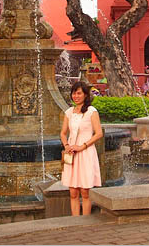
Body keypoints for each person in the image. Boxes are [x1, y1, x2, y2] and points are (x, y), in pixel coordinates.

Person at [60, 81, 103, 216]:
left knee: (85, 191)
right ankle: (75, 221)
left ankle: (85, 222)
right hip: (71, 154)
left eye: (79, 93)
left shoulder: (91, 112)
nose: (76, 96)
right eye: (74, 93)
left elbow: (99, 133)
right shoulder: (69, 112)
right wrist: (67, 145)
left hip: (86, 153)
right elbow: (62, 133)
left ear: (85, 95)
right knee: (73, 191)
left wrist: (82, 146)